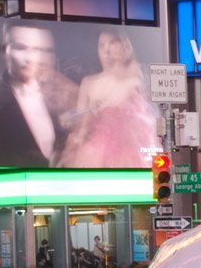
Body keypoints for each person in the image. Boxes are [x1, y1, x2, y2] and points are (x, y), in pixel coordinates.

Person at [0, 19, 78, 166]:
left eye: (39, 49)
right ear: (6, 51)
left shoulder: (60, 94)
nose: (30, 58)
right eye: (20, 48)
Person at [58, 30, 160, 168]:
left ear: (124, 45)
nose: (106, 51)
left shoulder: (135, 78)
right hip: (97, 151)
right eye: (101, 45)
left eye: (112, 43)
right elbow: (82, 125)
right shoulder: (89, 83)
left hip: (132, 150)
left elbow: (146, 120)